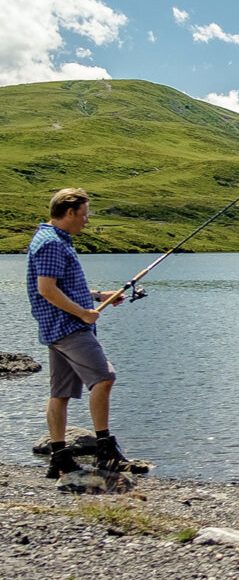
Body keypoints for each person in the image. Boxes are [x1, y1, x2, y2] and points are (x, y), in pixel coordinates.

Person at [27, 187, 133, 479]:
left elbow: (62, 286)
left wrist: (99, 296)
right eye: (84, 215)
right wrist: (83, 313)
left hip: (57, 328)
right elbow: (46, 289)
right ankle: (105, 451)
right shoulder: (51, 243)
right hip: (68, 327)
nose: (87, 221)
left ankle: (59, 457)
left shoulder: (53, 240)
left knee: (60, 393)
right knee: (104, 377)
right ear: (69, 212)